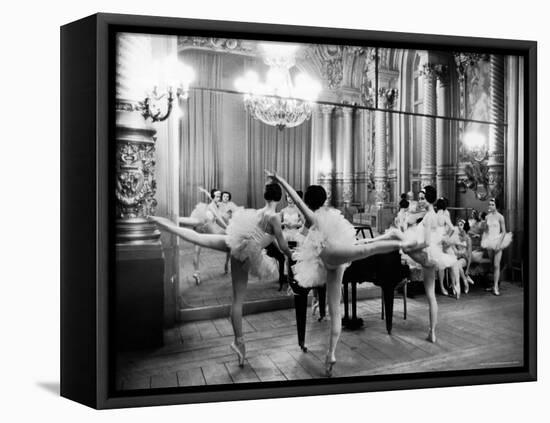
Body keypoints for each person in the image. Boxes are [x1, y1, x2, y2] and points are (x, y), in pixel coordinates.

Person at [266, 170, 420, 377]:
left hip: (331, 259)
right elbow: (302, 236)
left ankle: (399, 240)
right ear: (323, 199)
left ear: (308, 202)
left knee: (365, 248)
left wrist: (282, 180)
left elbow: (295, 200)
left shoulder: (312, 217)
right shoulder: (317, 218)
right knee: (362, 253)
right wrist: (292, 250)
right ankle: (330, 354)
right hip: (331, 262)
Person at [150, 182, 293, 368]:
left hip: (237, 241)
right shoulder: (274, 216)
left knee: (199, 239)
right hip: (245, 252)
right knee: (237, 301)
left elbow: (256, 233)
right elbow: (282, 245)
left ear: (265, 196)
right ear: (280, 198)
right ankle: (239, 342)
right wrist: (292, 256)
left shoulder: (259, 211)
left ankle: (163, 223)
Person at [401, 186, 457, 343]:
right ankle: (432, 332)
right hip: (434, 256)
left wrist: (409, 249)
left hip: (427, 255)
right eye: (419, 198)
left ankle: (432, 331)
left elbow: (425, 243)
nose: (420, 201)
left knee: (403, 248)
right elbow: (436, 236)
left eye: (422, 198)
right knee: (431, 296)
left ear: (429, 199)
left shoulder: (428, 217)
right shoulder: (433, 215)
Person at [182, 188, 227, 285]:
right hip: (204, 228)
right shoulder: (211, 206)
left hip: (204, 228)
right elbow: (219, 219)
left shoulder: (215, 205)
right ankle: (196, 272)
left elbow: (218, 215)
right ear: (213, 197)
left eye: (220, 196)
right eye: (217, 196)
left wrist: (205, 191)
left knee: (197, 250)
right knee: (197, 250)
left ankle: (196, 272)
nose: (219, 198)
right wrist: (227, 228)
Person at [481, 198, 513, 296]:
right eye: (489, 204)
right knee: (492, 264)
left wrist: (499, 243)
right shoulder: (487, 217)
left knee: (496, 265)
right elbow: (486, 230)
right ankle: (494, 284)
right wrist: (484, 235)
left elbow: (503, 231)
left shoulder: (500, 217)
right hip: (489, 241)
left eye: (492, 204)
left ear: (496, 206)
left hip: (498, 240)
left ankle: (495, 287)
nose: (490, 206)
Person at [434, 197, 461, 298]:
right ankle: (455, 285)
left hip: (437, 242)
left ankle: (445, 286)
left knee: (443, 265)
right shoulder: (445, 215)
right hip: (443, 241)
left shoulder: (434, 216)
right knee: (452, 261)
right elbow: (453, 229)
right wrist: (447, 237)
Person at [219, 191, 240, 274]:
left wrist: (231, 215)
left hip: (229, 227)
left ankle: (227, 263)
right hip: (220, 227)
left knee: (230, 247)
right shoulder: (219, 205)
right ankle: (227, 263)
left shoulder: (231, 205)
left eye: (227, 197)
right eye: (224, 196)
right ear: (222, 197)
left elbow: (237, 213)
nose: (226, 198)